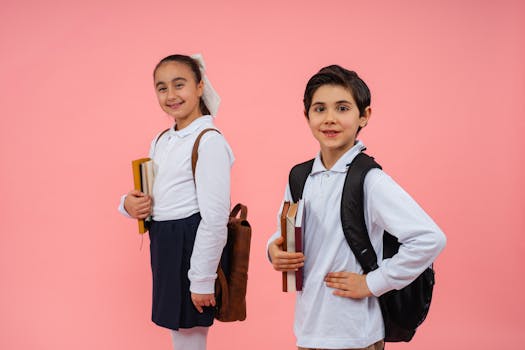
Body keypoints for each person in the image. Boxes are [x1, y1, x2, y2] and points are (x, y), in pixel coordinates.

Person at [267, 65, 446, 350]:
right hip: (308, 329)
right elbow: (283, 231)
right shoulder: (299, 177)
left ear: (364, 116)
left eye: (342, 108)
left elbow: (430, 238)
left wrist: (373, 283)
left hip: (355, 334)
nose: (329, 119)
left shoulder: (370, 180)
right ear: (306, 116)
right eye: (319, 109)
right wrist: (273, 251)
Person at [118, 54, 234, 350]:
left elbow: (214, 218)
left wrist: (202, 279)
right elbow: (153, 197)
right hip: (166, 242)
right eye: (162, 87)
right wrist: (128, 205)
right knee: (178, 334)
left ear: (199, 87)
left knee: (190, 336)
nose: (171, 95)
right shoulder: (161, 139)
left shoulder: (209, 141)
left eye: (179, 85)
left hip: (190, 244)